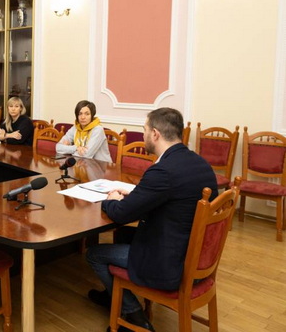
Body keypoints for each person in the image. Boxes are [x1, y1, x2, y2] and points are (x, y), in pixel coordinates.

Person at [85, 108, 217, 332]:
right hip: (195, 256)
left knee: (94, 255)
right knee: (124, 233)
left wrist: (110, 200)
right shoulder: (200, 164)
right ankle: (114, 294)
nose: (144, 134)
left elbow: (121, 213)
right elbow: (174, 197)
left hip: (169, 263)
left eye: (144, 130)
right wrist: (137, 194)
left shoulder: (163, 171)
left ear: (155, 134)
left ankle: (133, 315)